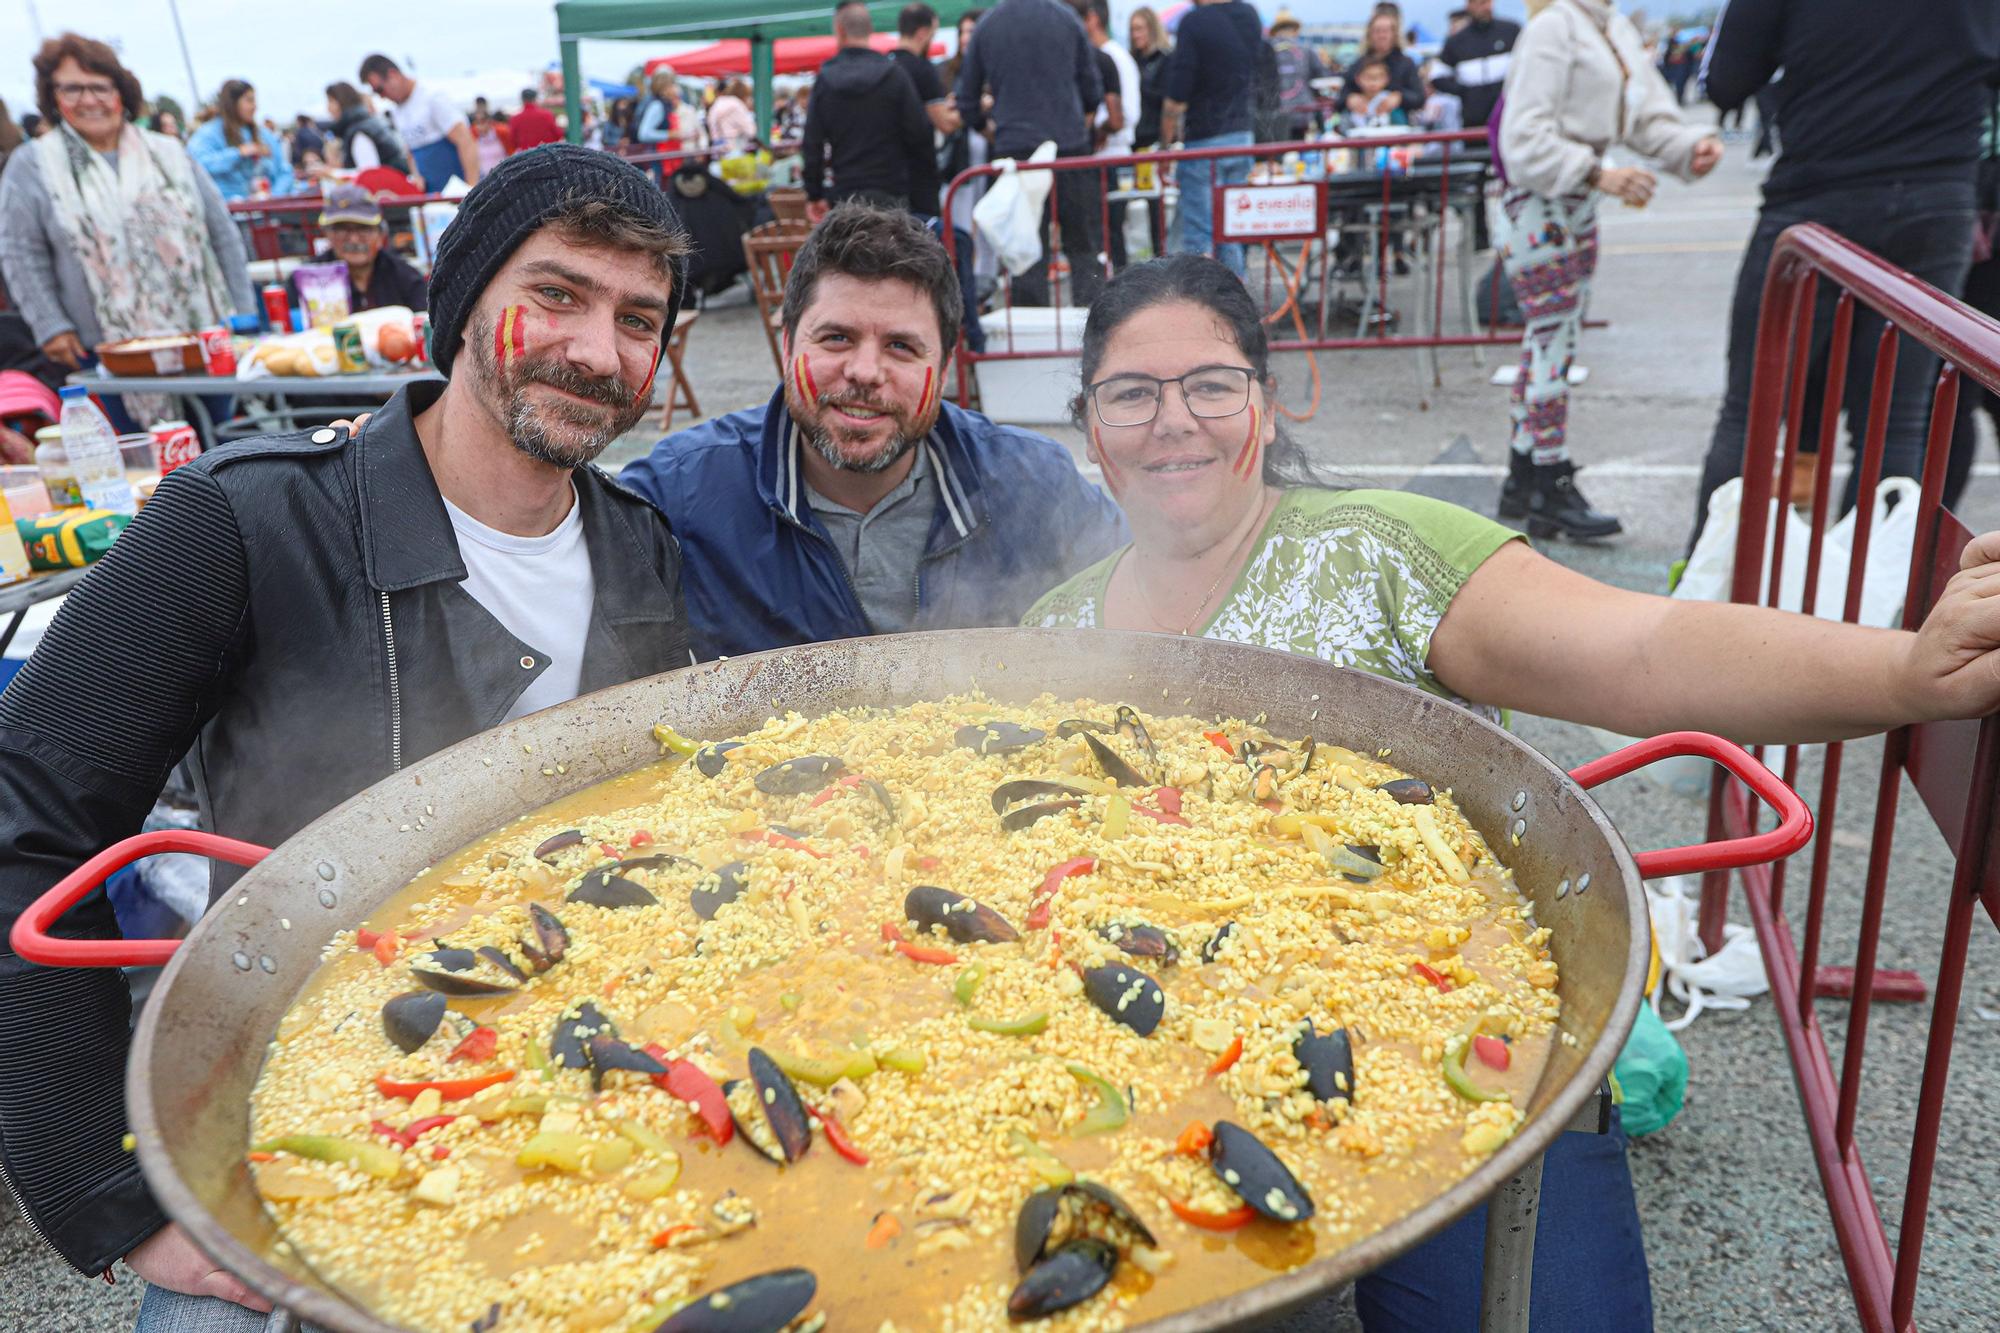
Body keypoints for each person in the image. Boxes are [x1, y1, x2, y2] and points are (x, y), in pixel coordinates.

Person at [1029, 252, 2000, 1332]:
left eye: (1210, 384)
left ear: (1261, 406)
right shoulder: (1045, 637)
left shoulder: (1382, 551)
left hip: (1449, 1057)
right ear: (1089, 432)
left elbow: (1641, 647)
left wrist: (1903, 671)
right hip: (1146, 1077)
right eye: (1131, 393)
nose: (1173, 420)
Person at [0, 145, 694, 1333]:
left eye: (639, 318)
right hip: (291, 1097)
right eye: (557, 293)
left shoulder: (640, 540)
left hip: (580, 1070)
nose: (597, 349)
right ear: (467, 298)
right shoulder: (244, 516)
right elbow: (26, 817)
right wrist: (105, 1192)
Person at [621, 202, 1125, 660]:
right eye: (837, 338)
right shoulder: (678, 496)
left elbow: (1153, 590)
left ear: (945, 367)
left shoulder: (1035, 483)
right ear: (788, 343)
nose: (864, 371)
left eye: (902, 347)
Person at [1690, 0, 2000, 549]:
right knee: (1897, 425)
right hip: (1937, 195)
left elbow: (1725, 80)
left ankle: (1707, 598)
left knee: (1753, 410)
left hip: (1821, 194)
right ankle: (1866, 613)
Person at [1494, 0, 1720, 540]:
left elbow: (1643, 117)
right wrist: (1599, 172)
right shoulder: (1555, 27)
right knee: (1553, 342)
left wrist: (1688, 148)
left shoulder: (1607, 27)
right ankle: (1549, 479)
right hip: (1539, 202)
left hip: (1573, 201)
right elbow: (1522, 137)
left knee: (1549, 340)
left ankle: (1525, 475)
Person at [0, 33, 254, 431]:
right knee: (146, 464)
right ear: (53, 97)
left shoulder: (169, 153)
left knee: (217, 444)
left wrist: (244, 313)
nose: (88, 99)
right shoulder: (32, 165)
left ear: (120, 90)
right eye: (71, 88)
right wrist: (51, 325)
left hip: (199, 336)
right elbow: (20, 252)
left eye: (99, 86)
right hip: (104, 349)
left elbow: (220, 233)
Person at [952, 0, 1105, 306]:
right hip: (1069, 148)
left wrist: (990, 130)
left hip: (1016, 152)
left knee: (1024, 251)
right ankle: (1094, 328)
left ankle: (1030, 335)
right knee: (1084, 246)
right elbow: (1092, 90)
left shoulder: (987, 26)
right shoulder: (1066, 18)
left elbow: (966, 99)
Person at [1161, 0, 1270, 279]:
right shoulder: (1249, 15)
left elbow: (1178, 92)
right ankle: (1235, 305)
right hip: (1242, 135)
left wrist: (1165, 142)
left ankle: (1206, 306)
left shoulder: (1193, 22)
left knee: (1199, 234)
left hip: (1205, 139)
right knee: (1230, 230)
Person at [802, 2, 935, 220]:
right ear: (870, 29)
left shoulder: (825, 80)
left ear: (839, 29)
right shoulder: (894, 75)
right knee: (893, 253)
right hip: (891, 192)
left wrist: (814, 194)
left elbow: (812, 144)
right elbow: (919, 135)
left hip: (846, 194)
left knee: (850, 252)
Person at [285, 184, 427, 314]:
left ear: (380, 234)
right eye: (342, 230)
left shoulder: (406, 277)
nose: (353, 239)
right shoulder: (305, 280)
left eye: (363, 229)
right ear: (327, 234)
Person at [359, 53, 479, 190]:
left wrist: (471, 188)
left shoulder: (432, 97)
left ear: (393, 75)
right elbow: (410, 152)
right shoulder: (396, 111)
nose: (381, 97)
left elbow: (466, 141)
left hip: (457, 190)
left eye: (380, 89)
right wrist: (416, 176)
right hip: (431, 195)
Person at [890, 3, 957, 217]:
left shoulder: (884, 65)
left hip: (887, 173)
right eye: (933, 34)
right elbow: (945, 123)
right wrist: (970, 109)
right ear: (922, 33)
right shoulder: (923, 69)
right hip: (919, 173)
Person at [189, 80, 293, 200]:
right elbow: (197, 165)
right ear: (232, 103)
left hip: (267, 210)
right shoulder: (209, 134)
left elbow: (284, 171)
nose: (255, 106)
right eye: (249, 100)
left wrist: (274, 196)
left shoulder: (263, 134)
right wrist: (238, 153)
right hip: (230, 210)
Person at [1431, 0, 1521, 133]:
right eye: (1479, 3)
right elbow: (1437, 76)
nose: (1485, 7)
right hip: (1473, 122)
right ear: (1469, 5)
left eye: (1487, 2)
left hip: (1509, 119)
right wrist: (1466, 92)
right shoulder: (1456, 41)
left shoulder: (1511, 31)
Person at [1344, 10, 1427, 120]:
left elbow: (1419, 98)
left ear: (1394, 34)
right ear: (1370, 34)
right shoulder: (1358, 64)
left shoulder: (1406, 63)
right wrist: (1349, 99)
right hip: (1363, 124)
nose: (1382, 35)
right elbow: (1341, 96)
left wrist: (1400, 97)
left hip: (1400, 123)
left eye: (1386, 31)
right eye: (1377, 31)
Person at [323, 80, 412, 176]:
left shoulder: (359, 131)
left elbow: (369, 173)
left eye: (331, 101)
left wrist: (333, 173)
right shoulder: (365, 123)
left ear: (342, 101)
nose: (328, 108)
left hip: (392, 188)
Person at [1268, 10, 1328, 142]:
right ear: (1295, 31)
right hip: (1304, 113)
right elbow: (1322, 77)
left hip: (1274, 114)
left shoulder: (1266, 50)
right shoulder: (1306, 49)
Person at [1344, 57, 1407, 126]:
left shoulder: (1392, 103)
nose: (1373, 81)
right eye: (1368, 76)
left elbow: (1402, 127)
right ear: (1357, 79)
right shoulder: (1352, 103)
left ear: (1387, 78)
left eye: (1378, 76)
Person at [706, 78, 758, 155]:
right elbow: (751, 131)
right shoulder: (737, 104)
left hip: (717, 151)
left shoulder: (716, 104)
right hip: (736, 151)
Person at [469, 107, 511, 174]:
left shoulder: (503, 132)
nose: (480, 126)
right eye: (477, 123)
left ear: (489, 121)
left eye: (482, 122)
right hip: (483, 177)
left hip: (502, 174)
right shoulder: (472, 136)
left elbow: (511, 152)